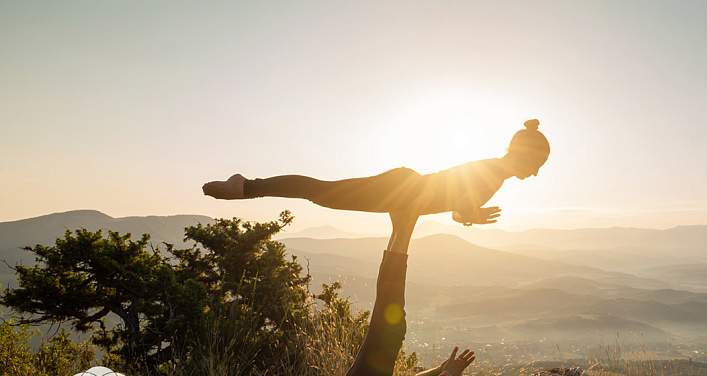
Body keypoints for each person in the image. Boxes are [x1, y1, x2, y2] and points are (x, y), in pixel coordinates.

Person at [334, 209, 532, 376]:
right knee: (383, 321)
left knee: (389, 329)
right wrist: (441, 371)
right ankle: (400, 226)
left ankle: (405, 224)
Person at [202, 119, 550, 226]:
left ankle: (247, 187)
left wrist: (467, 212)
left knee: (320, 191)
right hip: (400, 192)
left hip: (402, 189)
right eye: (536, 166)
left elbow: (458, 204)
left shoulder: (493, 170)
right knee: (320, 192)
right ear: (523, 156)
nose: (534, 175)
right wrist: (472, 215)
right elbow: (460, 208)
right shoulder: (493, 176)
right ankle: (246, 187)